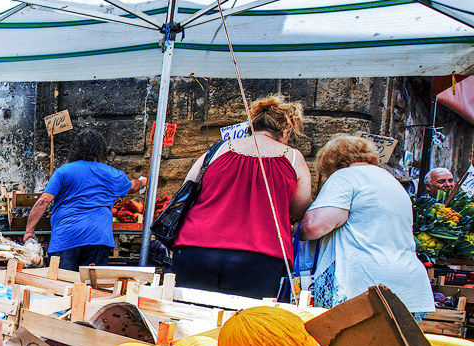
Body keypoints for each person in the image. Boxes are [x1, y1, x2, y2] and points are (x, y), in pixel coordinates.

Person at [172, 96, 313, 299]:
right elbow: (299, 209)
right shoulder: (292, 157)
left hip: (196, 247)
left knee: (188, 316)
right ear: (286, 131)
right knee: (244, 323)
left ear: (251, 125)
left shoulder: (219, 149)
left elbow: (188, 187)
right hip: (260, 254)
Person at [301, 135, 435, 318]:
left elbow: (314, 226)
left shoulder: (345, 176)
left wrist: (295, 229)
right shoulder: (390, 180)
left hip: (361, 283)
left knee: (344, 345)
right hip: (405, 283)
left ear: (332, 161)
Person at [22, 129, 146, 270]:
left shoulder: (64, 171)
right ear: (100, 150)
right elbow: (133, 187)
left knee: (62, 286)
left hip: (67, 237)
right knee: (91, 286)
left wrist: (29, 231)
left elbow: (43, 201)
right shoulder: (112, 174)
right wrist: (144, 182)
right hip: (98, 238)